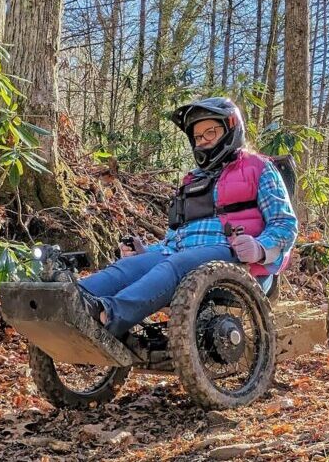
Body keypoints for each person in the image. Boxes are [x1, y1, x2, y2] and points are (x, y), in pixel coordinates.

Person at [78, 97, 298, 337]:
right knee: (127, 267)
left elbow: (285, 224)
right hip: (183, 259)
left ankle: (109, 314)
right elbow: (175, 243)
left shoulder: (259, 168)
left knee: (177, 265)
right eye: (198, 137)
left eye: (210, 133)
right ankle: (71, 297)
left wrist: (259, 248)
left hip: (237, 261)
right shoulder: (192, 180)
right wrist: (145, 251)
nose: (202, 142)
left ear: (231, 128)